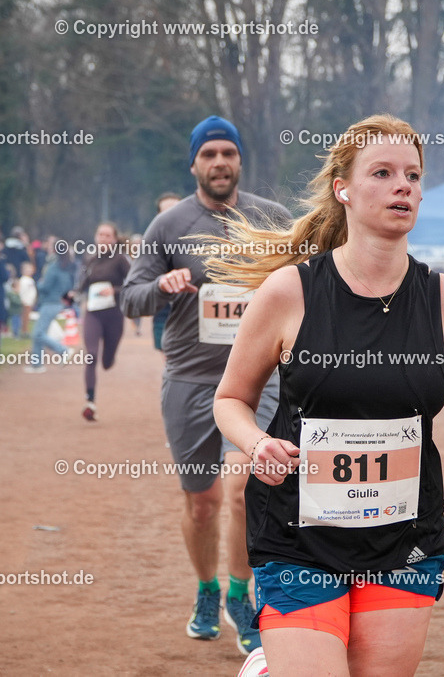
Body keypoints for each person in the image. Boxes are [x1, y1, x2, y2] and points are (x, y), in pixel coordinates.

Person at [209, 114, 444, 675]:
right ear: (343, 190)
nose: (404, 186)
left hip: (404, 542)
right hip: (298, 536)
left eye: (413, 175)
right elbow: (229, 399)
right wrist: (257, 444)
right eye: (382, 173)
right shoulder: (291, 292)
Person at [121, 115, 290, 657]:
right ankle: (206, 590)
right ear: (194, 164)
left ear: (240, 161)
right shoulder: (168, 227)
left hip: (258, 378)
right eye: (209, 155)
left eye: (228, 154)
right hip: (191, 379)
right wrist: (162, 287)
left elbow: (308, 285)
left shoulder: (272, 219)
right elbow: (131, 297)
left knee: (247, 488)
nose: (220, 163)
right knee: (202, 502)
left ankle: (242, 594)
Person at [74, 222, 130, 420]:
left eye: (108, 236)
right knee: (91, 355)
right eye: (101, 235)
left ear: (114, 239)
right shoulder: (90, 258)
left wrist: (113, 291)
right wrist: (75, 293)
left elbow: (132, 284)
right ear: (96, 237)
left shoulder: (121, 259)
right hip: (93, 313)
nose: (104, 239)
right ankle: (90, 401)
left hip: (114, 314)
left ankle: (110, 357)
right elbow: (83, 283)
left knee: (106, 362)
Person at [24, 247, 76, 374]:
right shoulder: (66, 268)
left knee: (38, 334)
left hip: (49, 303)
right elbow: (69, 287)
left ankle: (63, 350)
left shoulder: (53, 267)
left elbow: (45, 286)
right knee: (39, 332)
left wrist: (39, 284)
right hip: (58, 302)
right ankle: (37, 365)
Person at [152, 192, 182, 351]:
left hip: (192, 311)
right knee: (167, 355)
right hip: (163, 310)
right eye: (166, 213)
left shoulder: (199, 240)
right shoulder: (151, 246)